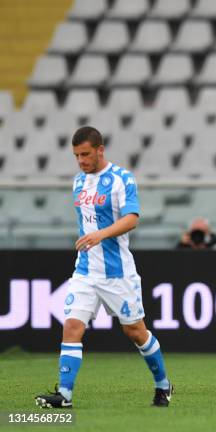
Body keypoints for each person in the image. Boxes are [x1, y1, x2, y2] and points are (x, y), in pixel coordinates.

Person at [35, 126, 172, 408]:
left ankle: (163, 384)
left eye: (85, 154)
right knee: (72, 326)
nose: (81, 160)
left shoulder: (122, 179)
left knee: (136, 332)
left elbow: (132, 218)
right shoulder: (78, 182)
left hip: (118, 273)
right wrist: (91, 237)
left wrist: (100, 234)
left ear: (100, 150)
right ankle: (65, 395)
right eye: (76, 156)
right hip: (85, 271)